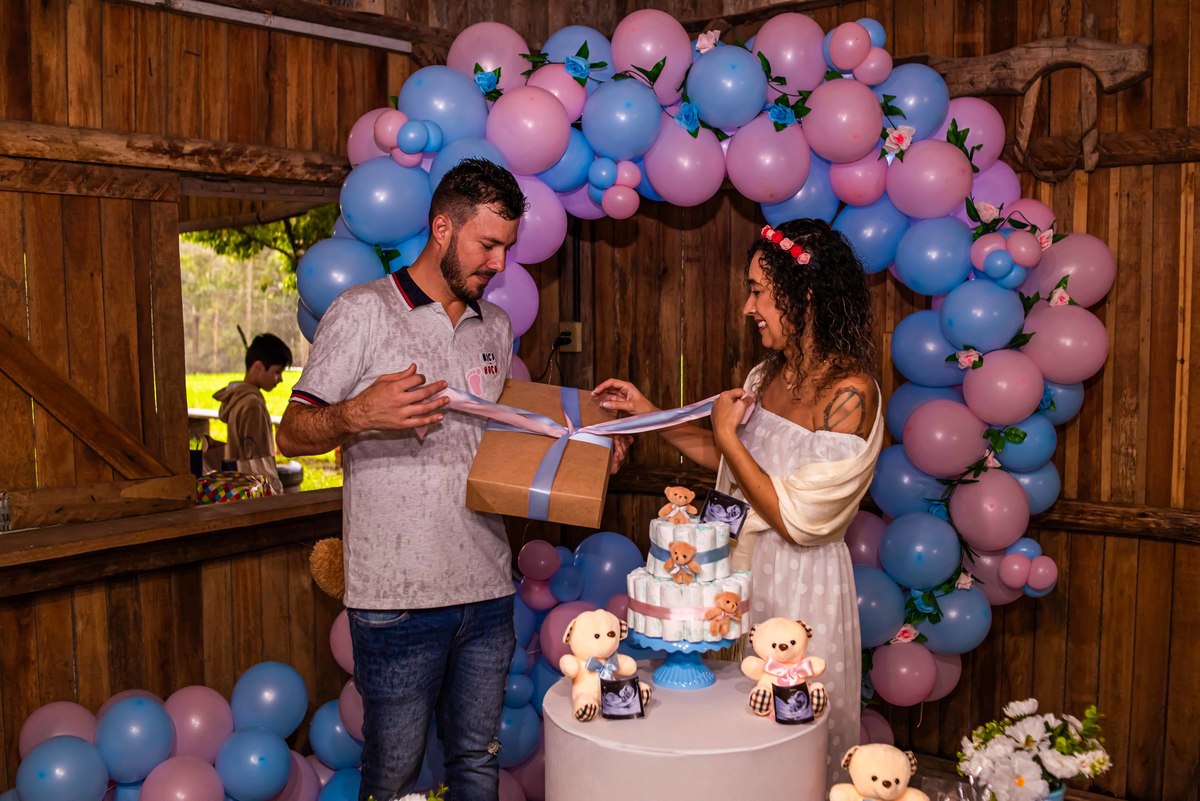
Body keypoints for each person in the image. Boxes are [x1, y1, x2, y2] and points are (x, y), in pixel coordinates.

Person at [594, 218, 883, 787]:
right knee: (731, 734)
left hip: (801, 580)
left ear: (803, 295)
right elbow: (736, 468)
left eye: (757, 291)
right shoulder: (764, 374)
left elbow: (799, 520)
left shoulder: (850, 393)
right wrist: (648, 413)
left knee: (791, 736)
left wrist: (728, 435)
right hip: (737, 573)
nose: (748, 308)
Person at [276, 159, 527, 801]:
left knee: (477, 764)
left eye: (507, 247)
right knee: (393, 779)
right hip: (397, 600)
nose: (499, 263)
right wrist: (358, 413)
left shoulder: (495, 326)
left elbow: (501, 444)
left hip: (488, 591)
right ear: (442, 229)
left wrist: (585, 450)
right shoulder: (362, 311)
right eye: (487, 245)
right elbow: (292, 433)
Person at [212, 332, 293, 493]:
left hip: (238, 487)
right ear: (258, 367)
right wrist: (274, 491)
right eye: (277, 372)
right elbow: (257, 461)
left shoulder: (237, 398)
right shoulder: (252, 405)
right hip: (254, 491)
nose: (280, 379)